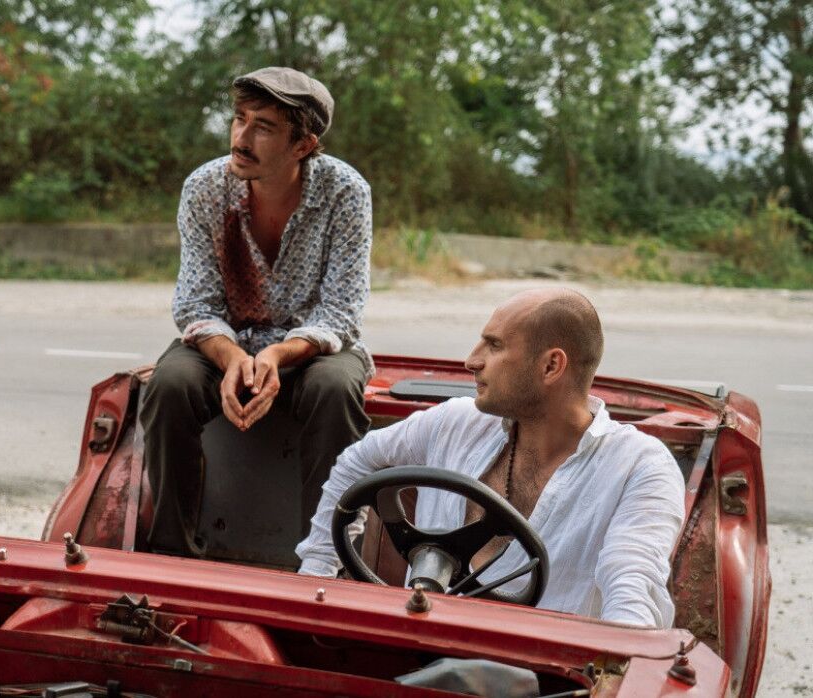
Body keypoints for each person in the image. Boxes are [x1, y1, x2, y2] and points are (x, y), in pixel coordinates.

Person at [296, 288, 686, 628]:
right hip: (417, 648)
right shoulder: (454, 422)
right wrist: (318, 576)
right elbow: (357, 462)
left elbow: (633, 587)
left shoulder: (639, 467)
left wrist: (619, 662)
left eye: (494, 346)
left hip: (542, 675)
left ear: (551, 366)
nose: (472, 360)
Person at [140, 67, 374, 557]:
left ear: (303, 145)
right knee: (171, 383)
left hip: (311, 348)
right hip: (224, 341)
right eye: (239, 118)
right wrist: (231, 359)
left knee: (336, 389)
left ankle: (326, 558)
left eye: (263, 127)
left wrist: (276, 356)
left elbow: (341, 311)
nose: (241, 138)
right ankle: (171, 555)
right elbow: (196, 302)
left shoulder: (345, 192)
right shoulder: (206, 186)